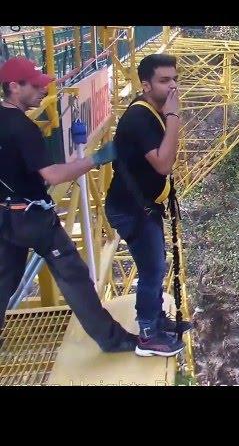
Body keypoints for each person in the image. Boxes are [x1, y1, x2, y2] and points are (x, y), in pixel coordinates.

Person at [0, 56, 137, 352]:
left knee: (3, 282)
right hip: (33, 219)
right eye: (35, 86)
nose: (42, 91)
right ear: (13, 87)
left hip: (5, 216)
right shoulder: (24, 129)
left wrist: (72, 73)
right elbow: (51, 174)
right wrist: (97, 158)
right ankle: (113, 340)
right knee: (74, 277)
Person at [105, 54, 191, 358]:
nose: (172, 86)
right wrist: (173, 116)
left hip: (141, 206)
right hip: (131, 209)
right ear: (145, 85)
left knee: (156, 263)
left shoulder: (150, 112)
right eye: (164, 80)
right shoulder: (141, 118)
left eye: (175, 79)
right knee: (153, 268)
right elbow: (164, 164)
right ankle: (148, 336)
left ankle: (156, 320)